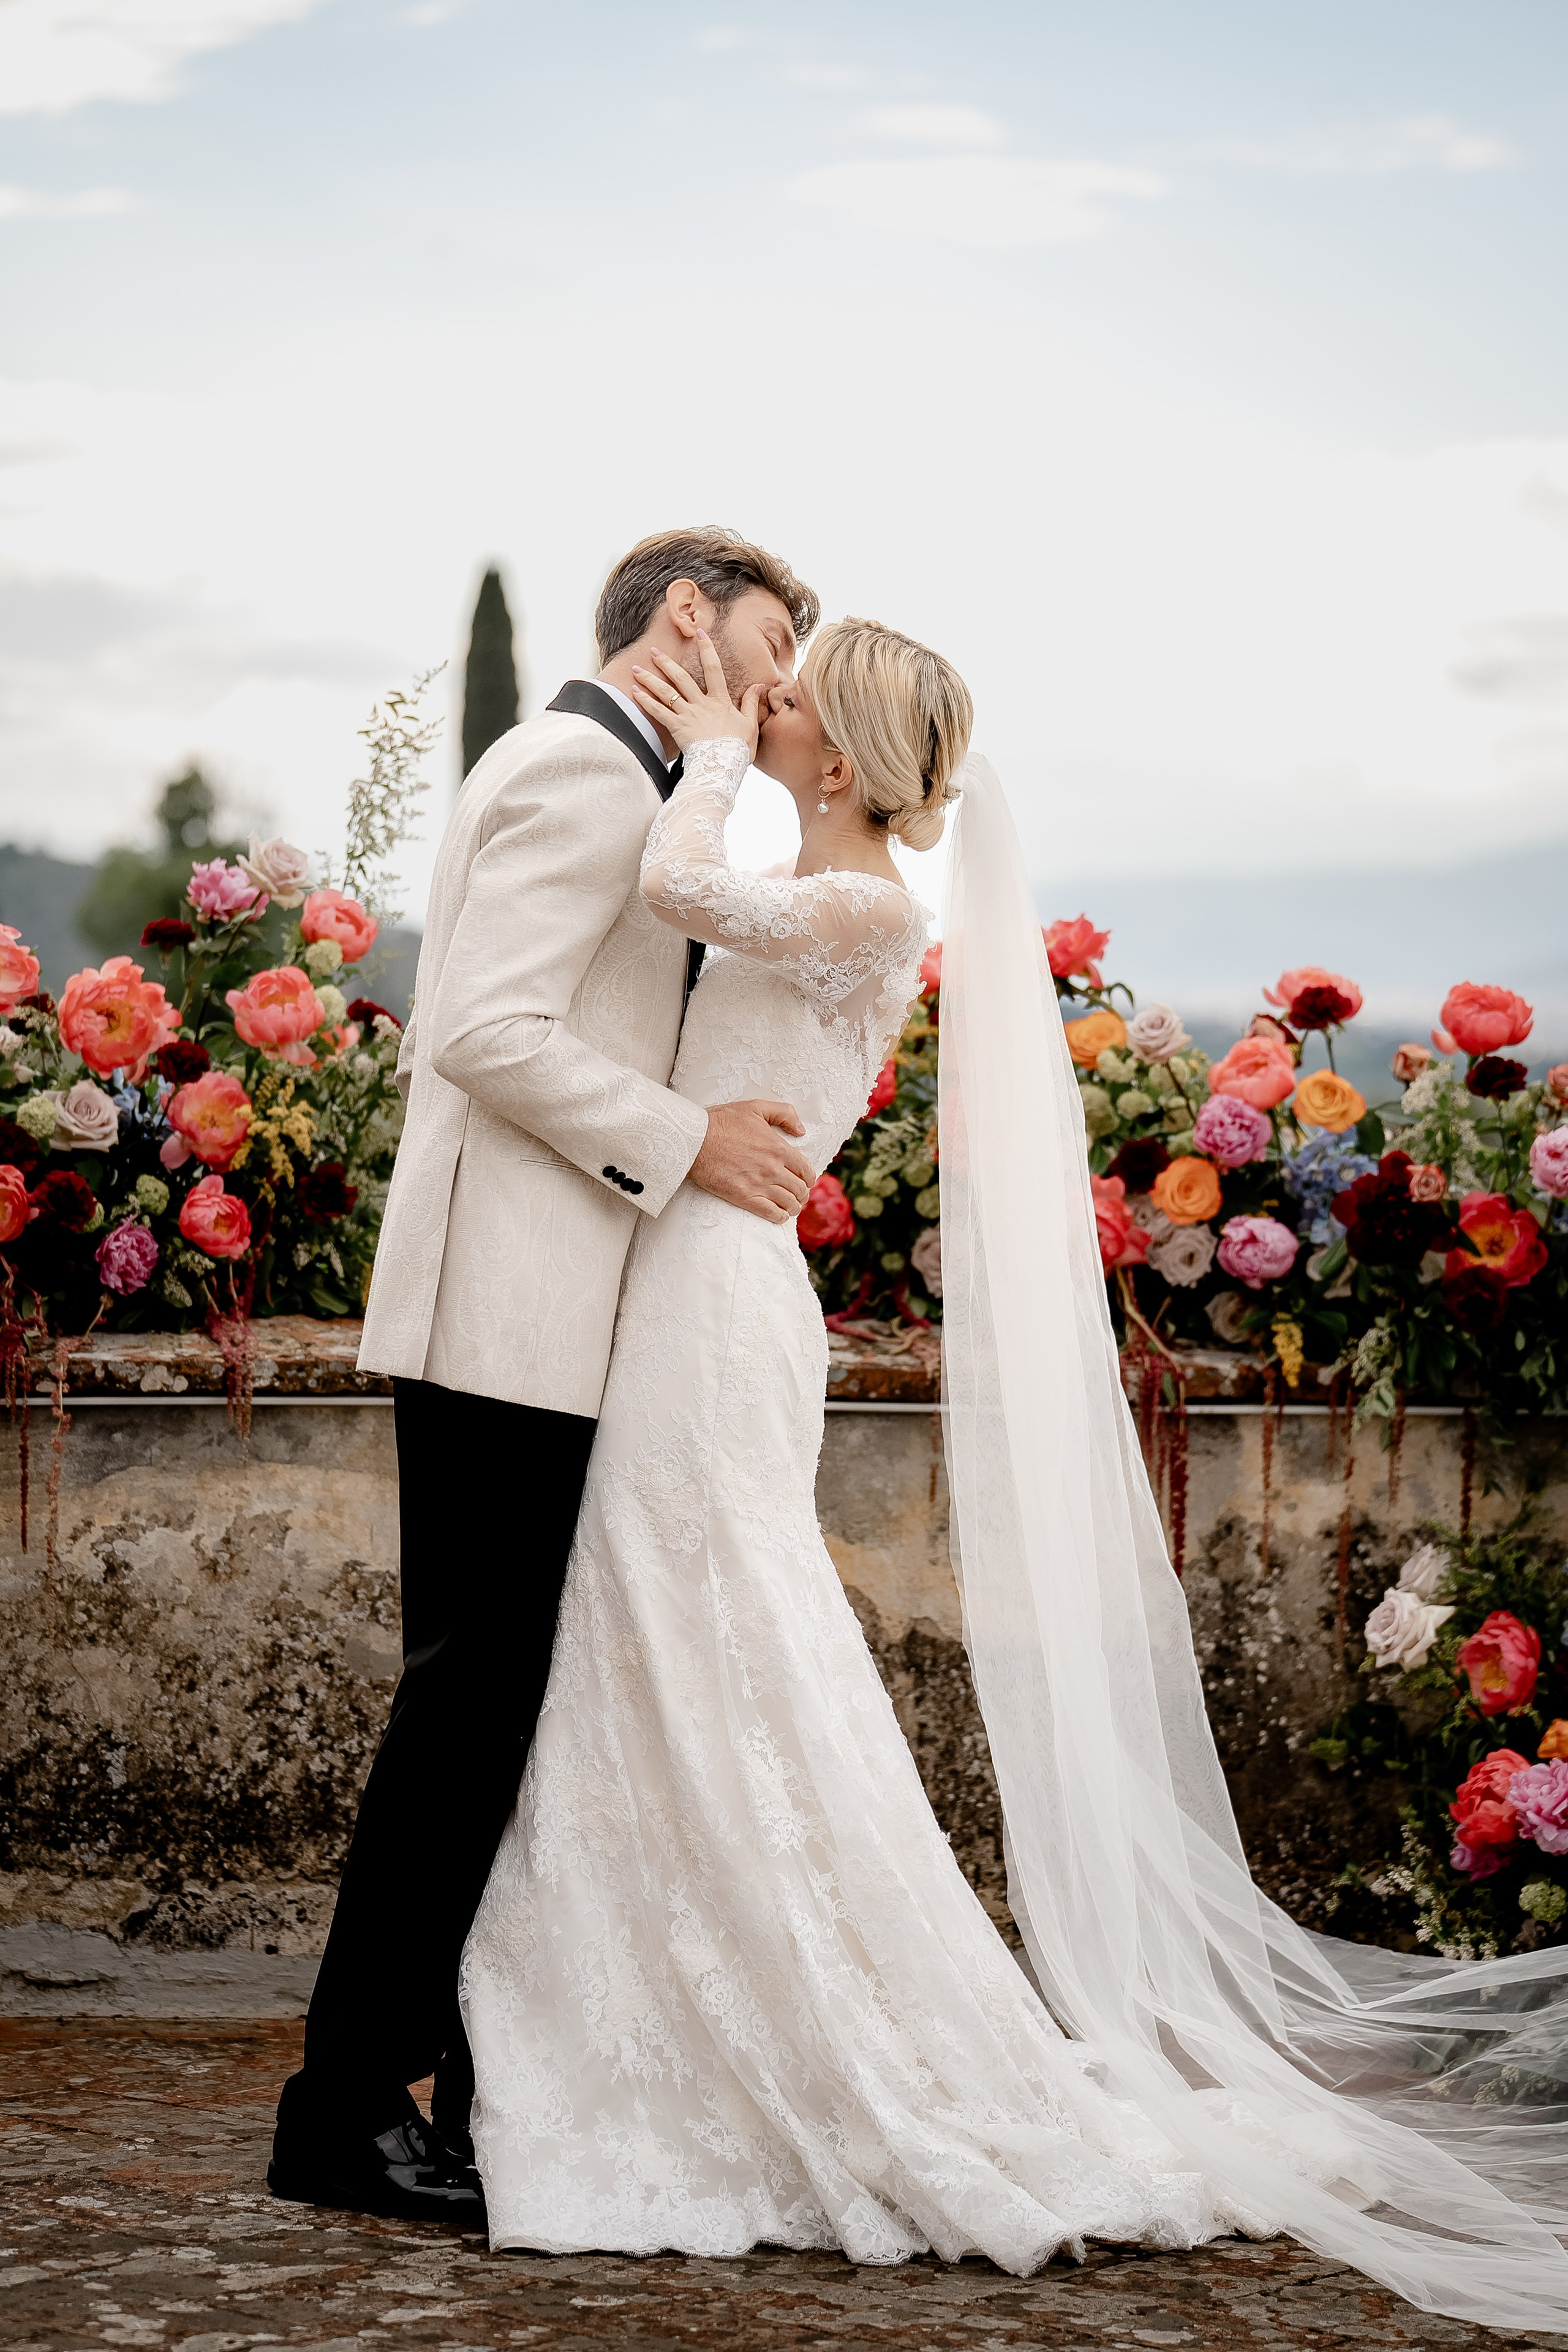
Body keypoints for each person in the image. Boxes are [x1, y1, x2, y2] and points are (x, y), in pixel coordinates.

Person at [459, 619, 1568, 2332]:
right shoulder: (823, 877)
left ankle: (773, 2022)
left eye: (793, 700)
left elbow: (685, 884)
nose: (767, 706)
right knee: (665, 1628)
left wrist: (703, 754)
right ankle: (659, 1989)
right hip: (683, 1282)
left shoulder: (865, 905)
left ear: (838, 758)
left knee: (711, 1623)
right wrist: (730, 761)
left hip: (712, 1300)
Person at [269, 527, 825, 2222]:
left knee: (510, 1722)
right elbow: (482, 1030)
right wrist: (692, 1142)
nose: (786, 682)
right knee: (464, 1724)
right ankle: (345, 2109)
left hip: (560, 1327)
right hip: (501, 1324)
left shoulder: (641, 776)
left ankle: (460, 2089)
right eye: (772, 646)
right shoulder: (584, 768)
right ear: (686, 618)